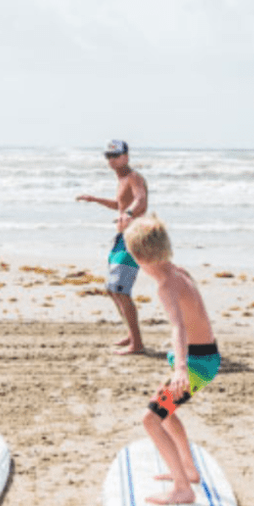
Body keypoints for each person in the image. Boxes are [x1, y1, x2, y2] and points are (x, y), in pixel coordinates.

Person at [124, 215, 220, 505]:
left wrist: (180, 367)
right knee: (166, 413)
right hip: (203, 356)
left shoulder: (166, 285)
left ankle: (182, 488)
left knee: (151, 419)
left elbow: (178, 326)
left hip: (195, 364)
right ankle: (189, 471)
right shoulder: (178, 272)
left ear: (137, 256)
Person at [76, 140, 149, 355]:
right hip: (121, 238)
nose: (111, 160)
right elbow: (120, 205)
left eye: (115, 156)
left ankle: (137, 344)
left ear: (126, 156)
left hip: (133, 239)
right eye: (108, 156)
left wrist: (128, 214)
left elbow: (140, 199)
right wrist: (95, 199)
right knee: (111, 289)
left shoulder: (134, 177)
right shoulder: (121, 180)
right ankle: (130, 333)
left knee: (120, 290)